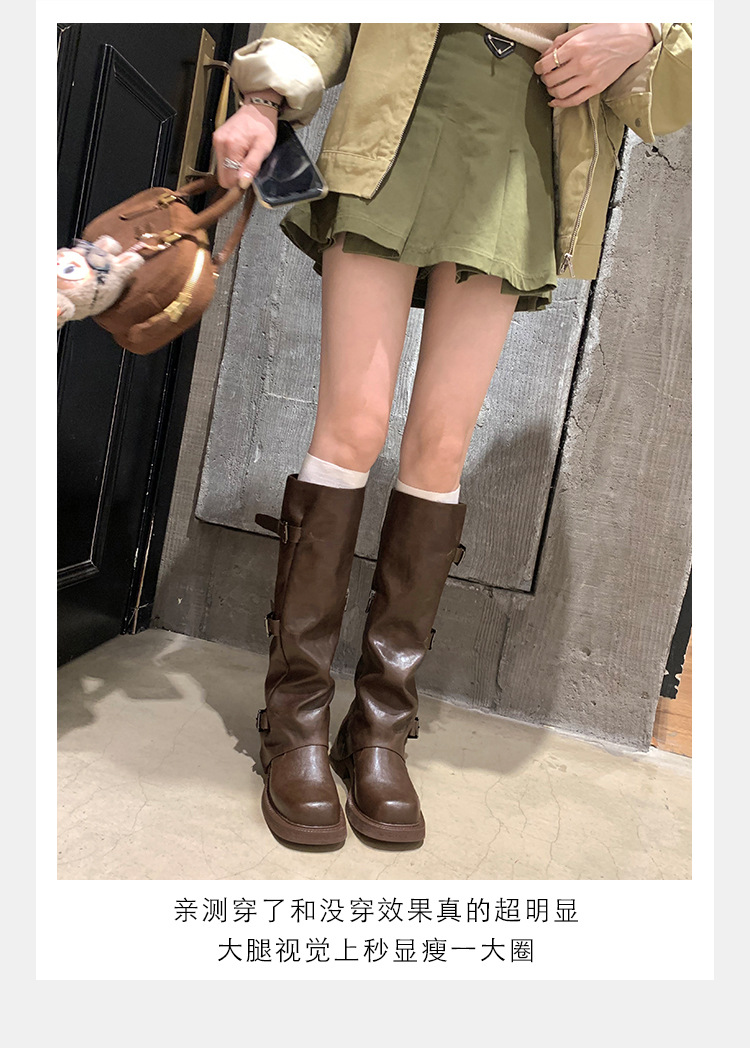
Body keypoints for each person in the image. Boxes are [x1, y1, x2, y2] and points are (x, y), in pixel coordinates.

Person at [213, 22, 692, 847]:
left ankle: (379, 729)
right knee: (352, 426)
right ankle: (293, 723)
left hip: (529, 125)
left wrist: (644, 32)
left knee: (440, 449)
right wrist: (263, 97)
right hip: (407, 97)